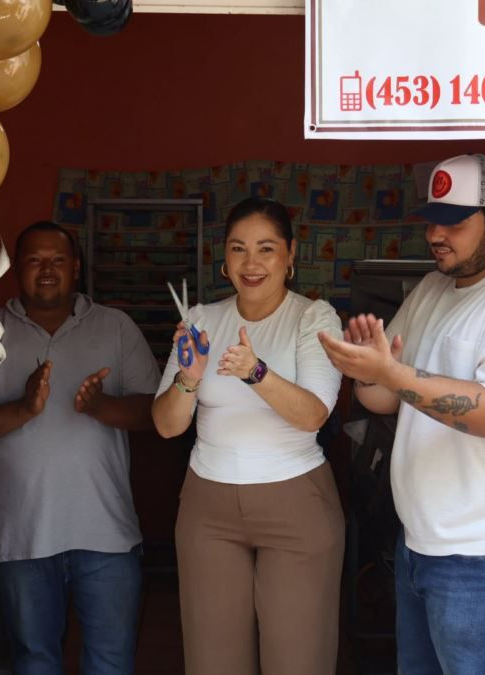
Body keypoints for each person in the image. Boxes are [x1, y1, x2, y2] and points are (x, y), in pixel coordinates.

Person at [319, 154, 485, 675]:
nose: (435, 235)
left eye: (454, 223)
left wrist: (392, 373)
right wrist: (365, 370)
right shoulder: (432, 289)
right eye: (431, 220)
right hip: (421, 546)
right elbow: (386, 398)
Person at [151, 196, 345, 675]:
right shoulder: (201, 320)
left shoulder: (313, 317)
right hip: (208, 505)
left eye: (266, 248)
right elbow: (167, 425)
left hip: (295, 499)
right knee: (212, 658)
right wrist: (189, 376)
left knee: (298, 658)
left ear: (290, 254)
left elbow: (313, 415)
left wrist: (255, 372)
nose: (251, 263)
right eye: (238, 249)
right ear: (224, 257)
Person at [0, 221, 160, 675]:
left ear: (76, 268)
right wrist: (23, 408)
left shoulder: (115, 326)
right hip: (20, 536)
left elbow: (157, 413)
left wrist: (102, 407)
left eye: (58, 260)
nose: (47, 270)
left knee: (110, 663)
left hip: (106, 534)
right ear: (16, 270)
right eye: (34, 260)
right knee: (33, 663)